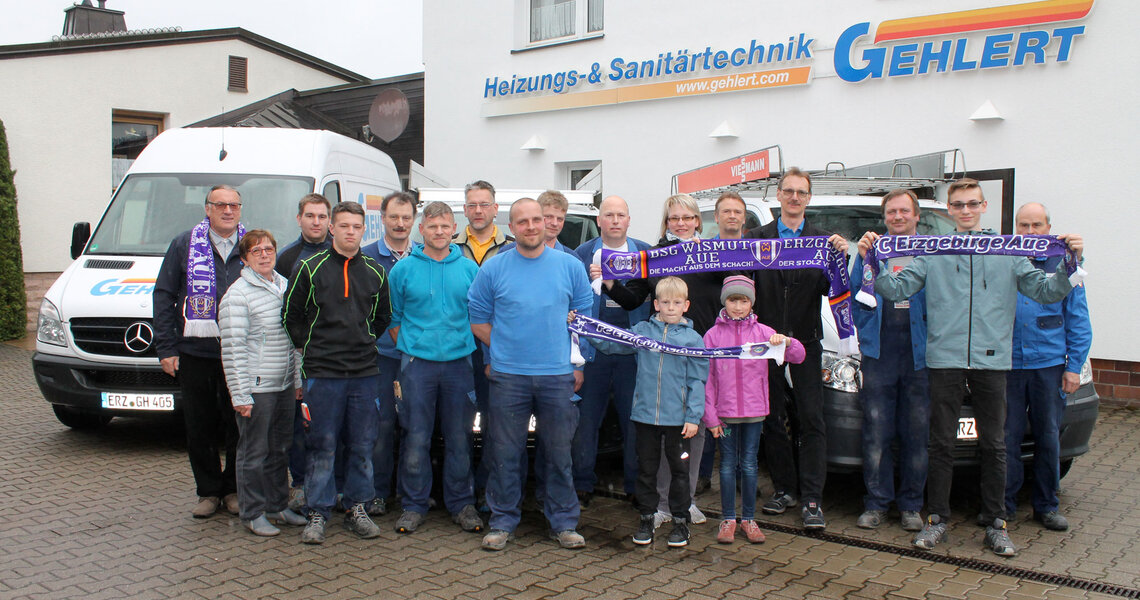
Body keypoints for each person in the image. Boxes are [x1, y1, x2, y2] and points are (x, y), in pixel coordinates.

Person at [871, 178, 1084, 557]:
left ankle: (997, 523)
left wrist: (1071, 263)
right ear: (950, 209)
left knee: (995, 444)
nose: (966, 210)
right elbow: (896, 290)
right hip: (944, 359)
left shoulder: (1007, 251)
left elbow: (1045, 291)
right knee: (941, 444)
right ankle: (937, 519)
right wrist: (874, 262)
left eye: (972, 203)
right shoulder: (933, 251)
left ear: (984, 206)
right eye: (958, 205)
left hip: (993, 360)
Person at [467, 198, 593, 551]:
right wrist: (503, 347)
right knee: (505, 453)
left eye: (537, 219)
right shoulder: (494, 269)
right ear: (511, 227)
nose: (532, 226)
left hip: (558, 376)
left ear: (545, 222)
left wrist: (578, 364)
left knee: (559, 454)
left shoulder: (570, 267)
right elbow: (477, 319)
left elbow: (585, 320)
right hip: (509, 377)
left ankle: (563, 522)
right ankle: (503, 521)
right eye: (523, 221)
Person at [601, 193, 726, 527]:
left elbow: (738, 279)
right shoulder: (654, 257)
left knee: (694, 431)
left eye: (687, 217)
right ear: (666, 222)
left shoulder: (713, 253)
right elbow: (632, 299)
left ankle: (686, 500)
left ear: (698, 221)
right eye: (674, 218)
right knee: (660, 435)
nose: (681, 224)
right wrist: (609, 282)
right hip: (663, 358)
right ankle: (659, 504)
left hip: (701, 352)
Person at [744, 168, 848, 531]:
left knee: (811, 419)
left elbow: (831, 289)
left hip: (806, 339)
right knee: (772, 417)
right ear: (778, 195)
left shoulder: (822, 241)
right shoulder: (756, 238)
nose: (794, 197)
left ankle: (812, 499)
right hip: (766, 341)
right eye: (788, 191)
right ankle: (784, 488)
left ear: (808, 198)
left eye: (801, 192)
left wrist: (842, 259)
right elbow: (742, 285)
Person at [283, 201, 392, 545]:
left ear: (364, 230)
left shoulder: (376, 271)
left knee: (362, 445)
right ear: (332, 228)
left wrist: (360, 342)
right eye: (343, 225)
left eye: (356, 227)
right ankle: (317, 512)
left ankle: (357, 507)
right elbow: (290, 316)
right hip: (322, 374)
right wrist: (314, 347)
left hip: (363, 374)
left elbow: (382, 318)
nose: (350, 232)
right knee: (322, 445)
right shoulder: (309, 268)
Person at [580, 276, 707, 547]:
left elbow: (697, 381)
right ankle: (647, 518)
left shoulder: (694, 340)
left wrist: (693, 416)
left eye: (676, 303)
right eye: (665, 302)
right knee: (646, 470)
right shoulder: (642, 331)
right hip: (645, 417)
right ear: (656, 304)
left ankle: (680, 521)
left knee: (680, 472)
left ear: (686, 306)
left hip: (678, 421)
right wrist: (585, 328)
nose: (670, 307)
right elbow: (612, 343)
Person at [387, 201, 483, 535]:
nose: (439, 232)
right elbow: (394, 319)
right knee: (416, 436)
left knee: (460, 437)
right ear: (421, 229)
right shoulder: (402, 270)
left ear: (454, 229)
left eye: (445, 226)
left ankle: (462, 504)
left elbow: (479, 315)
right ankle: (413, 504)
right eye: (432, 226)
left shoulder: (470, 269)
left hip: (459, 364)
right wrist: (416, 346)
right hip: (417, 367)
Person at [153, 184, 245, 519]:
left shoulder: (251, 245)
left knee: (237, 425)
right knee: (199, 425)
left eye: (234, 205)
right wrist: (166, 347)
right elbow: (164, 295)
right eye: (220, 205)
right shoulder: (184, 244)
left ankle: (233, 489)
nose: (227, 211)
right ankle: (208, 491)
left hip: (239, 353)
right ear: (207, 209)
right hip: (195, 352)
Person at [1004, 202, 1091, 532]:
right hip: (1009, 365)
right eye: (1023, 225)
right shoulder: (1004, 261)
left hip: (1049, 366)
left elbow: (1078, 319)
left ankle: (1046, 506)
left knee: (1048, 438)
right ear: (1015, 228)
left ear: (1048, 228)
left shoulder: (1065, 264)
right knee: (1007, 438)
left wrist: (1074, 366)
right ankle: (1004, 506)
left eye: (1036, 225)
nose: (1029, 232)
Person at [850, 189, 930, 533]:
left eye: (904, 211)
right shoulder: (871, 250)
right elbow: (854, 296)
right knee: (876, 433)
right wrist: (866, 334)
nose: (897, 217)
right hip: (880, 353)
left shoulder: (931, 251)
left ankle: (911, 505)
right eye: (891, 212)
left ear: (916, 216)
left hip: (920, 354)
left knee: (917, 434)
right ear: (884, 217)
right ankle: (877, 503)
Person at [219, 229, 308, 536]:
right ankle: (252, 512)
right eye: (256, 251)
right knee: (253, 452)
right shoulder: (237, 296)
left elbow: (293, 339)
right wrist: (240, 395)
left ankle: (277, 505)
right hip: (256, 388)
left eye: (269, 249)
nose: (264, 255)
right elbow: (232, 349)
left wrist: (296, 379)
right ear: (244, 259)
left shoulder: (285, 286)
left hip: (282, 385)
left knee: (280, 449)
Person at [704, 275, 805, 544]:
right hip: (725, 414)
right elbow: (707, 378)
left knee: (749, 464)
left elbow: (798, 356)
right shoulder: (713, 336)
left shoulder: (763, 332)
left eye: (744, 301)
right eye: (733, 300)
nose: (738, 307)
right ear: (724, 301)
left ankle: (748, 519)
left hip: (754, 412)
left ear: (751, 303)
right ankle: (728, 519)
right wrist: (710, 416)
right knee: (727, 465)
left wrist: (787, 342)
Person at [573, 195, 652, 507]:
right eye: (609, 215)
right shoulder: (581, 255)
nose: (615, 220)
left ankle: (635, 486)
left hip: (632, 354)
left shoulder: (645, 253)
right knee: (586, 420)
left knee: (634, 421)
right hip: (592, 353)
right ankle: (582, 484)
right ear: (599, 221)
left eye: (621, 215)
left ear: (629, 220)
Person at [454, 180, 514, 505]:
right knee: (459, 424)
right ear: (465, 210)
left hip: (497, 348)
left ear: (495, 208)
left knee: (495, 422)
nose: (478, 210)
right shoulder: (449, 247)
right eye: (472, 205)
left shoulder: (513, 249)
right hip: (457, 351)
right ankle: (460, 492)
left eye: (484, 204)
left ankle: (487, 489)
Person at [360, 191, 417, 517]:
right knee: (380, 427)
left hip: (417, 359)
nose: (400, 223)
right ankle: (378, 492)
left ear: (414, 220)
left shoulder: (424, 256)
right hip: (380, 356)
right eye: (393, 217)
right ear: (382, 218)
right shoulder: (366, 257)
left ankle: (412, 495)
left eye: (406, 217)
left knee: (415, 426)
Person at [273, 193, 332, 512]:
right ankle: (299, 483)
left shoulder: (342, 252)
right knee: (301, 425)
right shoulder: (287, 258)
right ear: (299, 219)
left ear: (330, 221)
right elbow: (286, 313)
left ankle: (331, 484)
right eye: (310, 216)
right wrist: (300, 349)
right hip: (303, 357)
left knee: (331, 426)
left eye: (322, 216)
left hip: (337, 357)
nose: (316, 222)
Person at [697, 191, 750, 496]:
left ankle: (743, 474)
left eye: (737, 211)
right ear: (715, 217)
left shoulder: (756, 252)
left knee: (742, 412)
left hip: (746, 345)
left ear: (744, 218)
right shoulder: (701, 252)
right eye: (726, 211)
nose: (732, 216)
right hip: (711, 340)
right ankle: (703, 473)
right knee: (708, 406)